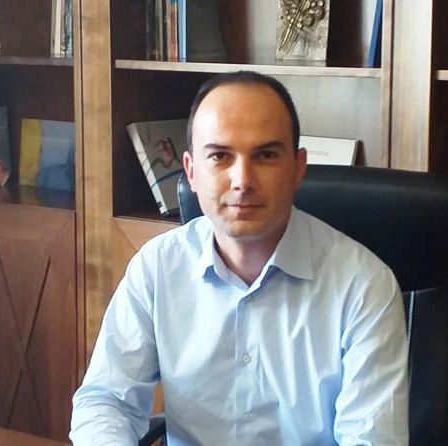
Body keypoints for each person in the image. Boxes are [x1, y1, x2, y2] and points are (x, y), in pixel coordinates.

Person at [70, 71, 409, 445]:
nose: (243, 180)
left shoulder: (364, 286)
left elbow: (372, 439)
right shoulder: (157, 268)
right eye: (220, 156)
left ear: (297, 168)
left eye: (265, 155)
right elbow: (105, 402)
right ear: (191, 171)